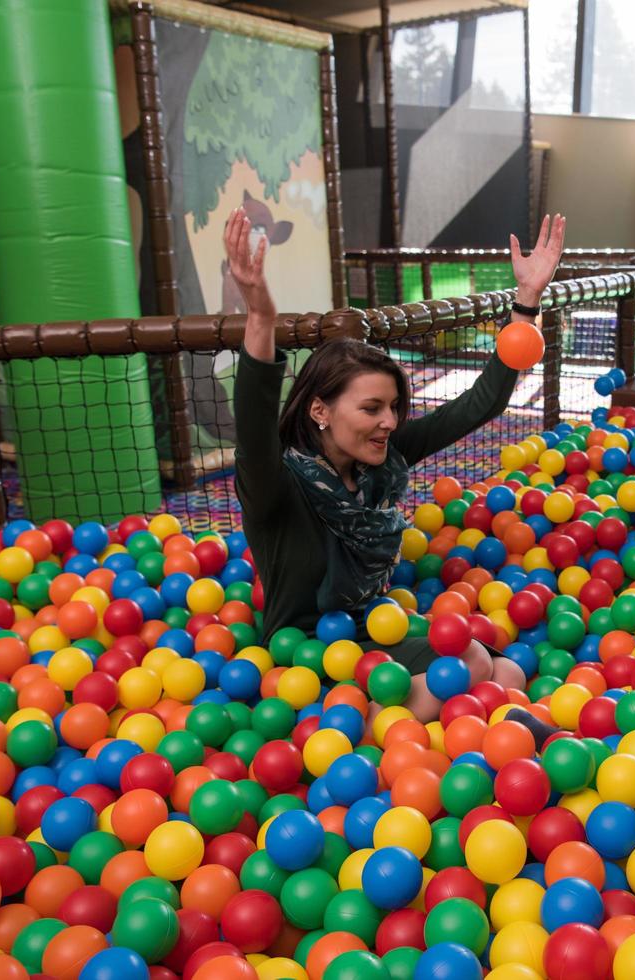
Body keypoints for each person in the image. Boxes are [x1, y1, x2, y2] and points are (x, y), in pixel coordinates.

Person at [226, 207, 567, 722]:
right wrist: (260, 319)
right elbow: (253, 426)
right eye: (370, 409)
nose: (388, 422)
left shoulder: (380, 465)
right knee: (473, 661)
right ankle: (358, 735)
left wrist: (525, 303)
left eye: (392, 408)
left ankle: (464, 746)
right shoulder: (277, 486)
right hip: (305, 654)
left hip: (372, 628)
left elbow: (478, 405)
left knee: (511, 675)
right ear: (320, 410)